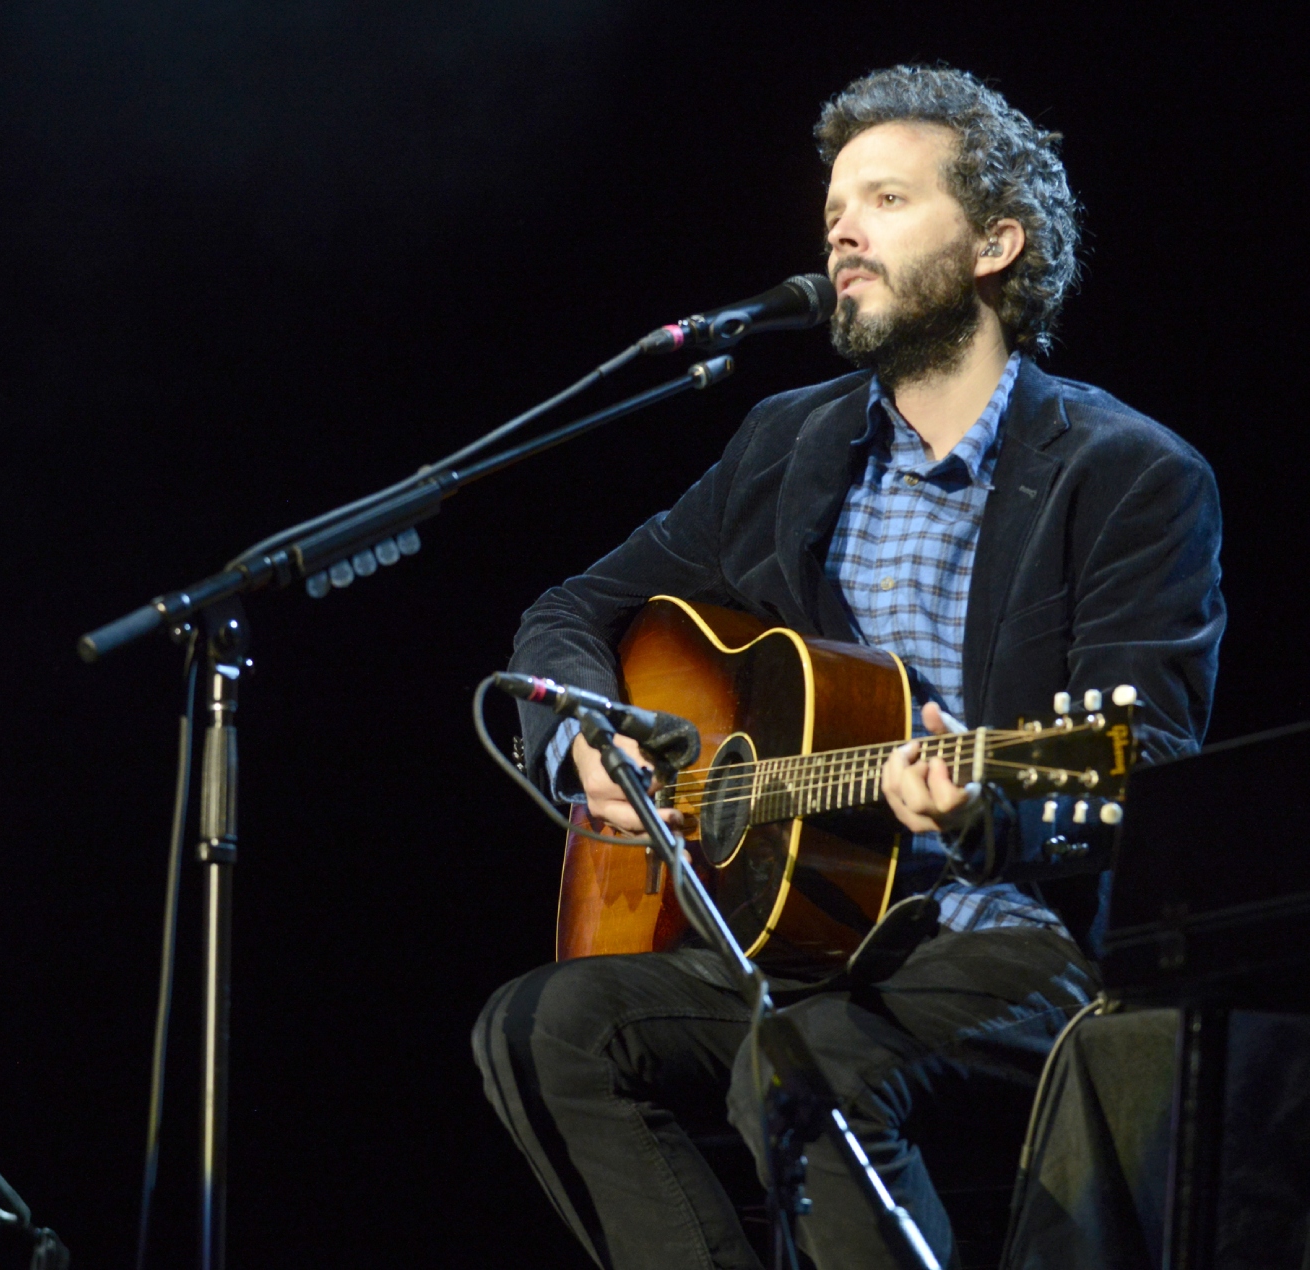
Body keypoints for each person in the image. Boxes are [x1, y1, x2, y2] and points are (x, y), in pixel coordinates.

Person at [472, 65, 1224, 1270]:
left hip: (1011, 937)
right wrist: (582, 740)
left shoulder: (1131, 475)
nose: (840, 230)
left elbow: (1156, 775)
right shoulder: (791, 442)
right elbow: (576, 606)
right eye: (834, 207)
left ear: (993, 243)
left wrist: (987, 811)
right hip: (797, 930)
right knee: (537, 1028)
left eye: (883, 199)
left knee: (803, 1057)